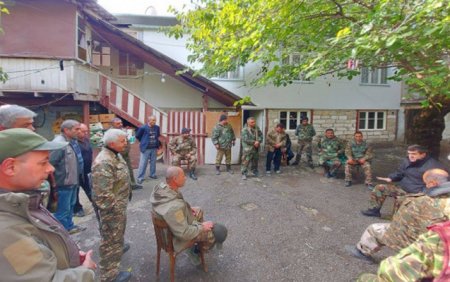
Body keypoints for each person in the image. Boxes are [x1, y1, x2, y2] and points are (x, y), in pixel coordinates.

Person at [0, 128, 96, 281]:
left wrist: (69, 255)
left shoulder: (22, 200)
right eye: (43, 162)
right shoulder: (6, 230)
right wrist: (85, 272)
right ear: (10, 167)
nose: (51, 168)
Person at [346, 169, 450, 263]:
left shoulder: (420, 202)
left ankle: (361, 251)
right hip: (443, 247)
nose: (425, 185)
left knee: (374, 229)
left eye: (426, 183)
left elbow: (399, 227)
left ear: (432, 183)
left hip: (424, 246)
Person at [150, 166, 228, 265]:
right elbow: (184, 233)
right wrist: (202, 227)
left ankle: (197, 242)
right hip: (175, 238)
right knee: (215, 232)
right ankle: (196, 251)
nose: (185, 178)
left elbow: (174, 203)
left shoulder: (161, 187)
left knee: (198, 210)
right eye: (183, 176)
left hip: (168, 228)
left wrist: (186, 209)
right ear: (175, 179)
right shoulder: (174, 208)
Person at [92, 129, 132, 282]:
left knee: (116, 238)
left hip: (119, 207)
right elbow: (102, 196)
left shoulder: (115, 154)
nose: (126, 143)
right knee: (109, 241)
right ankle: (109, 276)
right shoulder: (104, 162)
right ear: (111, 143)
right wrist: (115, 212)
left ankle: (118, 247)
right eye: (122, 141)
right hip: (112, 210)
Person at [361, 144, 446, 217]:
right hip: (402, 188)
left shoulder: (433, 166)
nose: (411, 156)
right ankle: (374, 210)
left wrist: (423, 194)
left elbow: (439, 184)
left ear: (423, 155)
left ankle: (396, 220)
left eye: (414, 154)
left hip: (417, 193)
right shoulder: (407, 160)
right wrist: (391, 178)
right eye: (409, 153)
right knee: (379, 188)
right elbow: (400, 172)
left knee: (400, 200)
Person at [357, 220, 450, 282]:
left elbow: (392, 274)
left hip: (406, 238)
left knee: (364, 278)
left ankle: (362, 251)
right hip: (414, 238)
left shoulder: (441, 238)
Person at [49, 119, 86, 234]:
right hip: (63, 184)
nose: (79, 131)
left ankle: (69, 227)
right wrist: (54, 184)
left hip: (73, 182)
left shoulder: (72, 141)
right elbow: (50, 163)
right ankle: (61, 234)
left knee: (70, 207)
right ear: (66, 130)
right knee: (62, 211)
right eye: (76, 129)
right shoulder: (58, 144)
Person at [111, 118, 143, 190]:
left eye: (121, 123)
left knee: (129, 169)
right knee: (119, 172)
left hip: (126, 155)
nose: (121, 124)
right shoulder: (111, 133)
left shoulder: (122, 130)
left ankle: (132, 184)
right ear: (113, 124)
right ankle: (122, 187)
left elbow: (126, 141)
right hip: (117, 157)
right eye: (118, 124)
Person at [73, 123, 93, 217]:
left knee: (90, 188)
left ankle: (96, 204)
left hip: (87, 170)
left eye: (86, 131)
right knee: (75, 192)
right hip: (77, 172)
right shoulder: (73, 143)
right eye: (83, 131)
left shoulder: (86, 140)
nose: (86, 133)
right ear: (77, 131)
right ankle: (77, 209)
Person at [136, 115, 161, 183]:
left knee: (153, 162)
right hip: (146, 148)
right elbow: (138, 136)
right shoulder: (143, 127)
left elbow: (157, 136)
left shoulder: (157, 127)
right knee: (143, 163)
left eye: (155, 120)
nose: (154, 121)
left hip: (154, 147)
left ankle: (152, 174)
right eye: (152, 120)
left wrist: (157, 146)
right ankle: (140, 177)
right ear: (148, 120)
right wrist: (143, 141)